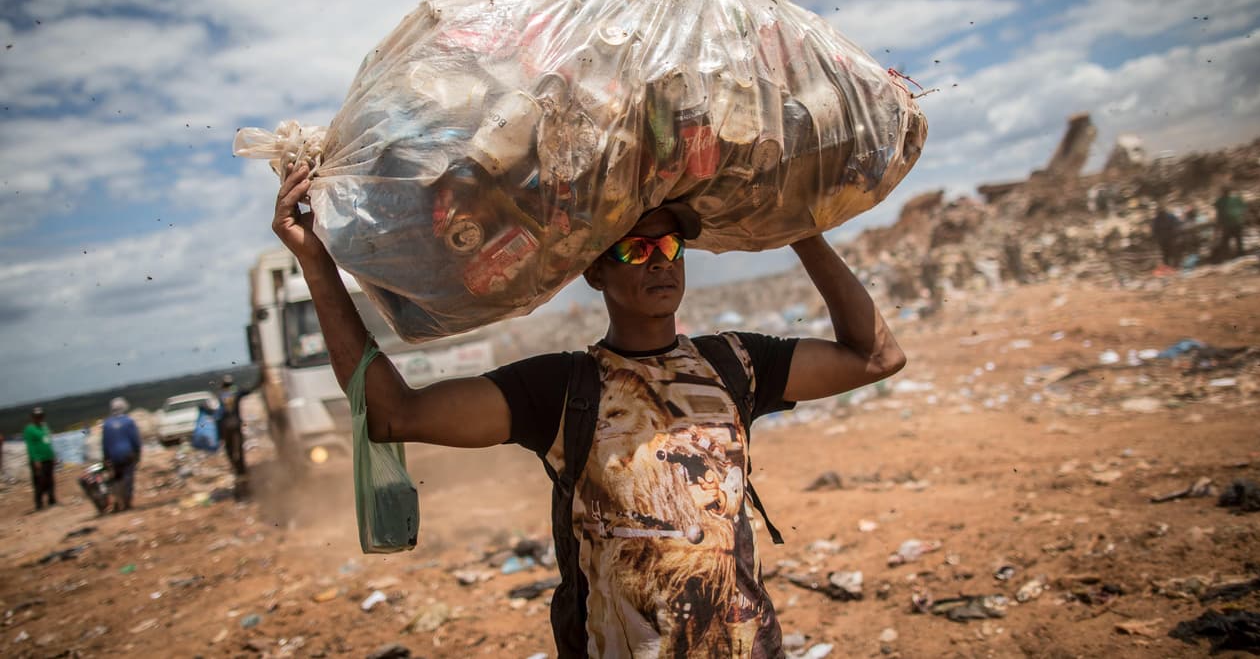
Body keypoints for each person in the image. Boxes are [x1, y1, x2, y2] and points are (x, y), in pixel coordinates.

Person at [272, 160, 906, 656]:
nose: (659, 263)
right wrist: (315, 263)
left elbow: (877, 357)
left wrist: (802, 233)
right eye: (635, 250)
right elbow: (395, 415)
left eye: (670, 248)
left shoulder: (736, 364)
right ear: (594, 272)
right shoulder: (562, 390)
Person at [213, 373, 260, 480]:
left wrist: (219, 435)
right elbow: (250, 389)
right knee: (239, 448)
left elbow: (216, 415)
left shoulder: (219, 396)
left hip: (225, 427)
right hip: (236, 425)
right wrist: (261, 378)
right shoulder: (236, 392)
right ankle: (242, 471)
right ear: (231, 384)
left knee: (229, 449)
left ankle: (237, 470)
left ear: (222, 385)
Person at [101, 397, 142, 512]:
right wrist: (137, 454)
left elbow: (105, 443)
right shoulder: (129, 421)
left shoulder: (106, 424)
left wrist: (105, 457)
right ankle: (127, 502)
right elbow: (135, 440)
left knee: (117, 479)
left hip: (113, 456)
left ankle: (118, 501)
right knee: (128, 478)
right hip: (127, 454)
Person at [23, 407, 56, 510]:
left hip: (48, 457)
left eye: (41, 416)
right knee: (39, 482)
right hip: (39, 459)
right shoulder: (29, 429)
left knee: (50, 480)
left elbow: (48, 442)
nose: (39, 418)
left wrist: (53, 455)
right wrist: (35, 459)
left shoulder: (44, 427)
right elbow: (30, 446)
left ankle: (51, 500)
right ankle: (39, 503)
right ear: (33, 417)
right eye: (37, 416)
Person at [1213, 187, 1246, 259]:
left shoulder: (1220, 201)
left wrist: (1217, 226)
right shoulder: (1236, 199)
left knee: (1225, 240)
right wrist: (1241, 218)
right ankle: (1241, 254)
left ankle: (1227, 255)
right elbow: (1243, 209)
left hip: (1227, 224)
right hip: (1237, 222)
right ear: (1229, 192)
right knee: (1238, 239)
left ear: (1222, 192)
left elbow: (1219, 215)